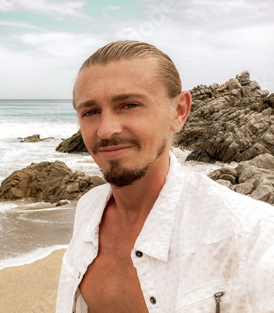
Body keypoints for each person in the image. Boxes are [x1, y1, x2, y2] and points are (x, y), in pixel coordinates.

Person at [56, 40, 274, 313]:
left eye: (129, 105)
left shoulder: (250, 236)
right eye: (91, 112)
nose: (106, 129)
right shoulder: (88, 210)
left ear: (179, 111)